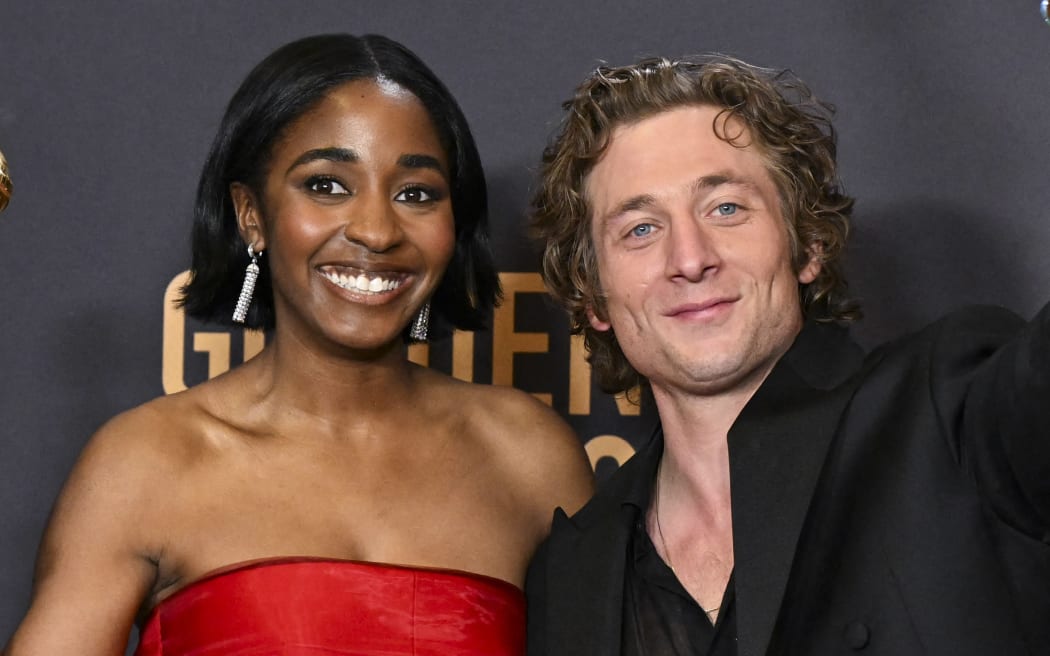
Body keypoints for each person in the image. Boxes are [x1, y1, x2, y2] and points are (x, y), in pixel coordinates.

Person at [4, 33, 593, 656]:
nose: (375, 229)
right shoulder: (143, 465)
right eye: (327, 185)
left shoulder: (529, 457)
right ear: (250, 213)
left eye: (415, 193)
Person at [526, 55, 1050, 656]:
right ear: (594, 296)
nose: (690, 258)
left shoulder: (951, 411)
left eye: (726, 208)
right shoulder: (571, 572)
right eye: (641, 229)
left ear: (808, 247)